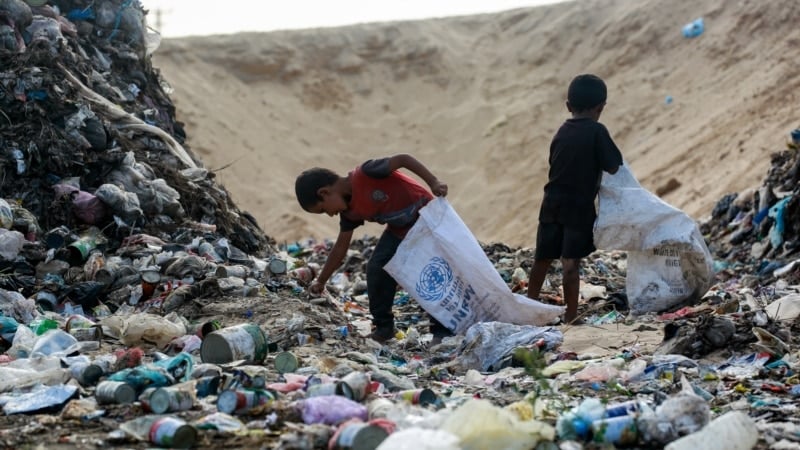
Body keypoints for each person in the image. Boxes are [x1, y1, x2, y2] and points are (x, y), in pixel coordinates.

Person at [295, 154, 450, 342]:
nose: (329, 215)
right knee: (377, 268)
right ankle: (384, 327)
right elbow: (340, 248)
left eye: (323, 210)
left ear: (324, 193)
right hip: (400, 230)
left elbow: (403, 159)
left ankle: (441, 329)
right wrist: (320, 281)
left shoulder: (367, 173)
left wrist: (433, 181)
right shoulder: (349, 213)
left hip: (428, 222)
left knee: (428, 273)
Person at [526, 74, 623, 324]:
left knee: (542, 259)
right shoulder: (597, 132)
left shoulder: (562, 131)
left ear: (568, 106)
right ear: (601, 108)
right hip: (578, 208)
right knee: (570, 264)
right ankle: (570, 317)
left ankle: (528, 307)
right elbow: (614, 166)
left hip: (551, 203)